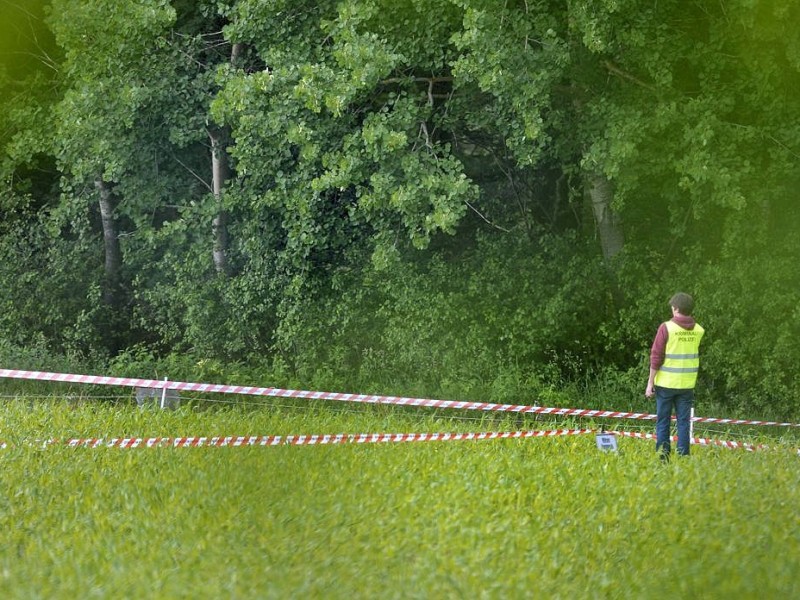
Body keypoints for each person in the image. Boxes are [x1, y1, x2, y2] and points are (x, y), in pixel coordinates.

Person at [645, 292, 704, 460]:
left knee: (663, 422)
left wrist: (650, 383)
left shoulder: (666, 328)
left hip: (666, 384)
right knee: (684, 423)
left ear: (676, 308)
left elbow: (656, 357)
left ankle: (663, 458)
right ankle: (683, 457)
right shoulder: (699, 330)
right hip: (686, 385)